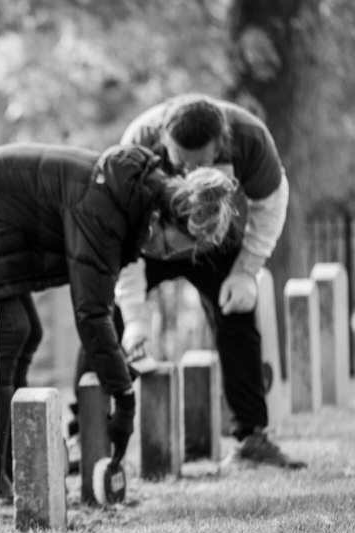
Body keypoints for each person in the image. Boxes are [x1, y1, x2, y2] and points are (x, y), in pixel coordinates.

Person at [0, 142, 239, 501]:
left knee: (26, 331)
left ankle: (11, 471)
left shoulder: (128, 196)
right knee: (6, 333)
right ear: (164, 216)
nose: (163, 255)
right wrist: (124, 398)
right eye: (169, 246)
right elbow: (92, 314)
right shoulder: (106, 208)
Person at [73, 93, 305, 469]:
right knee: (103, 316)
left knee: (237, 318)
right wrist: (134, 315)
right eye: (181, 162)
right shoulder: (138, 140)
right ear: (163, 140)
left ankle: (251, 437)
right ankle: (82, 432)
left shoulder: (250, 139)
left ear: (222, 142)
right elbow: (118, 229)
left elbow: (271, 203)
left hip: (213, 239)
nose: (189, 171)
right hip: (149, 240)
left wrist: (245, 270)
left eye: (200, 163)